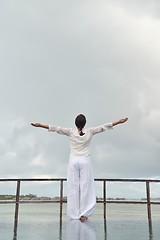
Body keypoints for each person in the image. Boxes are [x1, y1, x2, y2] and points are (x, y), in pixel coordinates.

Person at [31, 114, 128, 222]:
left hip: (73, 161)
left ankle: (74, 214)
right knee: (86, 187)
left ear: (75, 123)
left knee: (73, 188)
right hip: (85, 161)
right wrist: (119, 121)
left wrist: (39, 125)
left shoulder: (70, 132)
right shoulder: (90, 131)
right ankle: (84, 213)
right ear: (85, 123)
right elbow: (103, 127)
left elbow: (55, 128)